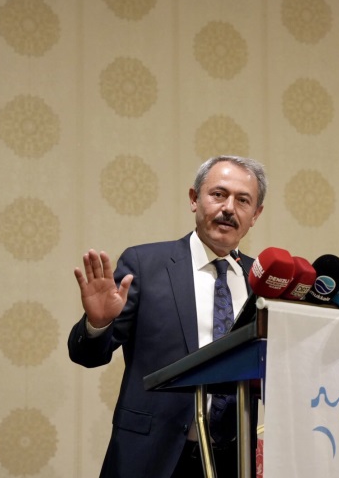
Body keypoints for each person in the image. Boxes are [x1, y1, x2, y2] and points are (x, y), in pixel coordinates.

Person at [68, 155, 267, 478]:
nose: (229, 208)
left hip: (232, 461)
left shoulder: (261, 280)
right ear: (194, 199)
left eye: (243, 200)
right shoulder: (145, 265)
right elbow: (88, 356)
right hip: (151, 458)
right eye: (218, 194)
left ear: (255, 214)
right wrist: (99, 324)